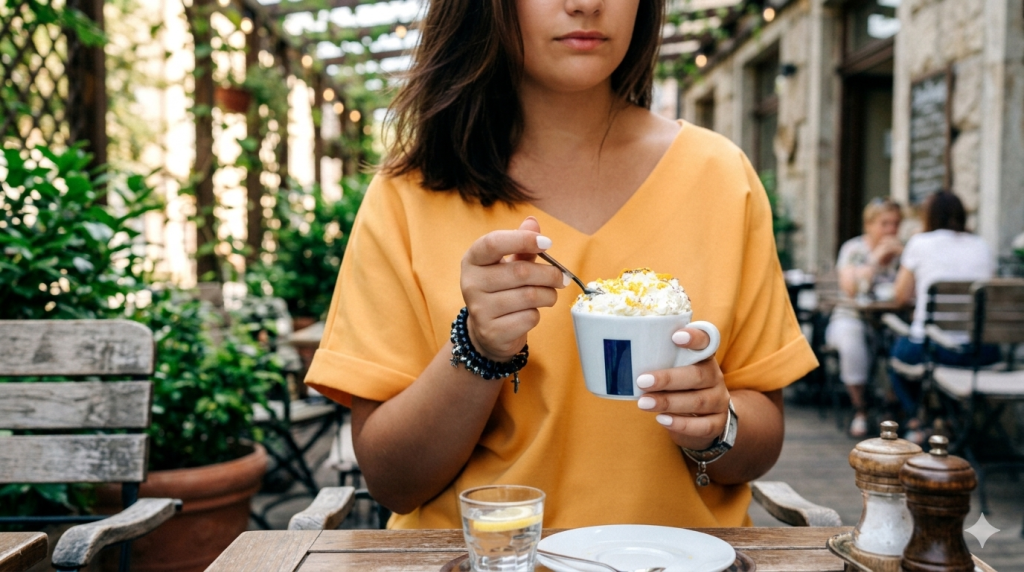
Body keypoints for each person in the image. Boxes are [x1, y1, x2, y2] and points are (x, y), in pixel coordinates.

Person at [305, 0, 818, 529]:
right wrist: (477, 347)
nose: (587, 4)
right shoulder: (408, 194)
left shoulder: (720, 176)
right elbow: (393, 483)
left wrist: (716, 427)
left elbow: (759, 441)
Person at [888, 191, 997, 443]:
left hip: (936, 350)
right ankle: (950, 420)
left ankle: (918, 420)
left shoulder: (920, 243)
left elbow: (900, 296)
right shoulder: (982, 246)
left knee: (895, 355)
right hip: (983, 353)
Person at [826, 198, 903, 437]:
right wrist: (874, 261)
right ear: (869, 225)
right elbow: (850, 289)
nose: (891, 230)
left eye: (896, 224)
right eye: (884, 223)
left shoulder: (905, 252)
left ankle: (891, 408)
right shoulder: (854, 249)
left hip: (892, 317)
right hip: (851, 316)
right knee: (852, 341)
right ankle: (861, 409)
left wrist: (905, 257)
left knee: (903, 341)